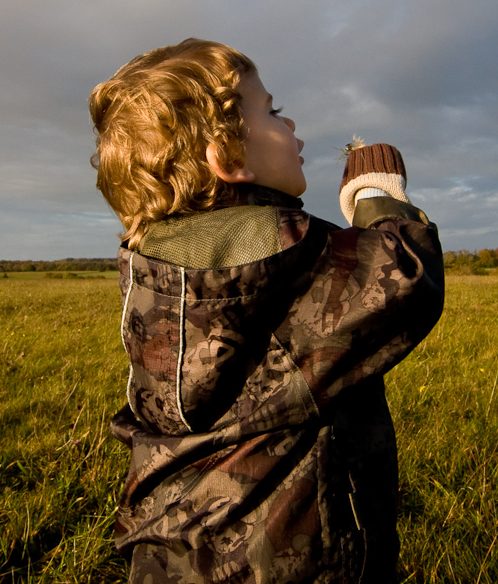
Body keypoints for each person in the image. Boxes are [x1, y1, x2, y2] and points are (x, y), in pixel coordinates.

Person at [89, 38, 444, 584]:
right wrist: (377, 190)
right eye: (273, 110)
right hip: (290, 562)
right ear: (229, 159)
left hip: (172, 555)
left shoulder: (159, 271)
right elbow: (405, 275)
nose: (291, 121)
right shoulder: (289, 253)